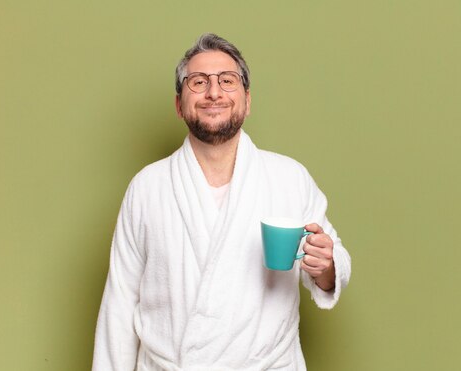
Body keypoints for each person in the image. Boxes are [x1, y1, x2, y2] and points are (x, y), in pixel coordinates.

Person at [92, 33, 351, 371]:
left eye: (227, 81)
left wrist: (326, 266)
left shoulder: (289, 177)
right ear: (179, 104)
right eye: (198, 82)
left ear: (246, 100)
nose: (214, 92)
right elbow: (120, 303)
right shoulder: (147, 187)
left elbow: (334, 262)